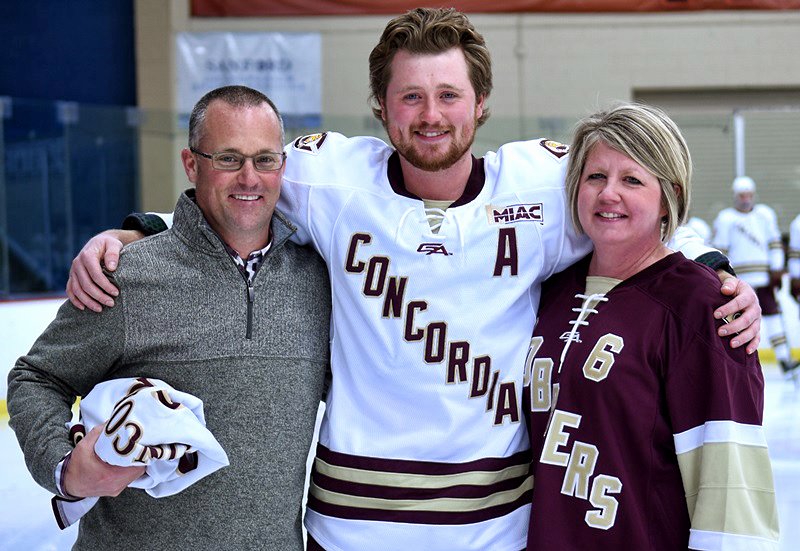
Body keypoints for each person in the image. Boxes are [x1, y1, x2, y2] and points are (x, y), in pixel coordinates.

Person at [63, 9, 762, 551]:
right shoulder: (332, 176)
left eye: (450, 94)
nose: (431, 115)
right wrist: (138, 230)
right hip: (354, 525)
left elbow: (641, 214)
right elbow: (237, 187)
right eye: (411, 96)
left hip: (496, 525)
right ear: (381, 105)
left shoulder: (546, 184)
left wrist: (714, 273)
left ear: (481, 102)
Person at [7, 85, 331, 549]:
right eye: (227, 159)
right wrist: (65, 467)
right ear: (191, 164)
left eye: (265, 159)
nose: (249, 178)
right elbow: (35, 377)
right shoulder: (129, 277)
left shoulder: (317, 280)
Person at [525, 103, 779, 550]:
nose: (608, 194)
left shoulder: (702, 305)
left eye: (632, 180)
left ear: (669, 195)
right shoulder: (551, 290)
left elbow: (728, 488)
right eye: (595, 176)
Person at [713, 176, 798, 377]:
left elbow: (774, 242)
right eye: (742, 195)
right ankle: (739, 364)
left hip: (763, 279)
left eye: (749, 195)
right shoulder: (725, 219)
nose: (745, 199)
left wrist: (776, 268)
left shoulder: (765, 215)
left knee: (774, 317)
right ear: (736, 196)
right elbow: (720, 250)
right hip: (739, 280)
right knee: (739, 323)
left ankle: (784, 359)